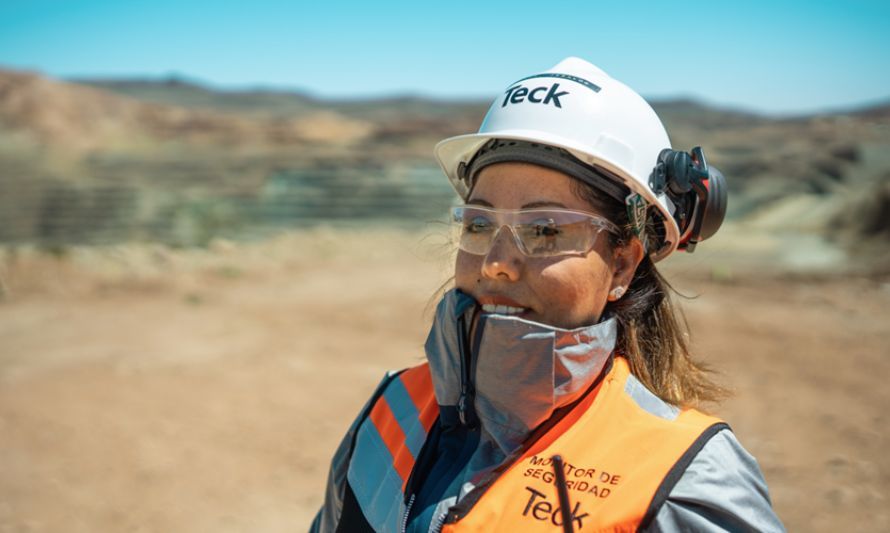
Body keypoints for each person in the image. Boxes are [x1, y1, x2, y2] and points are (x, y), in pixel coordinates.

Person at [310, 57, 785, 532]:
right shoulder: (393, 408)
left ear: (621, 263)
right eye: (479, 223)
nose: (496, 261)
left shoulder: (679, 481)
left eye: (544, 230)